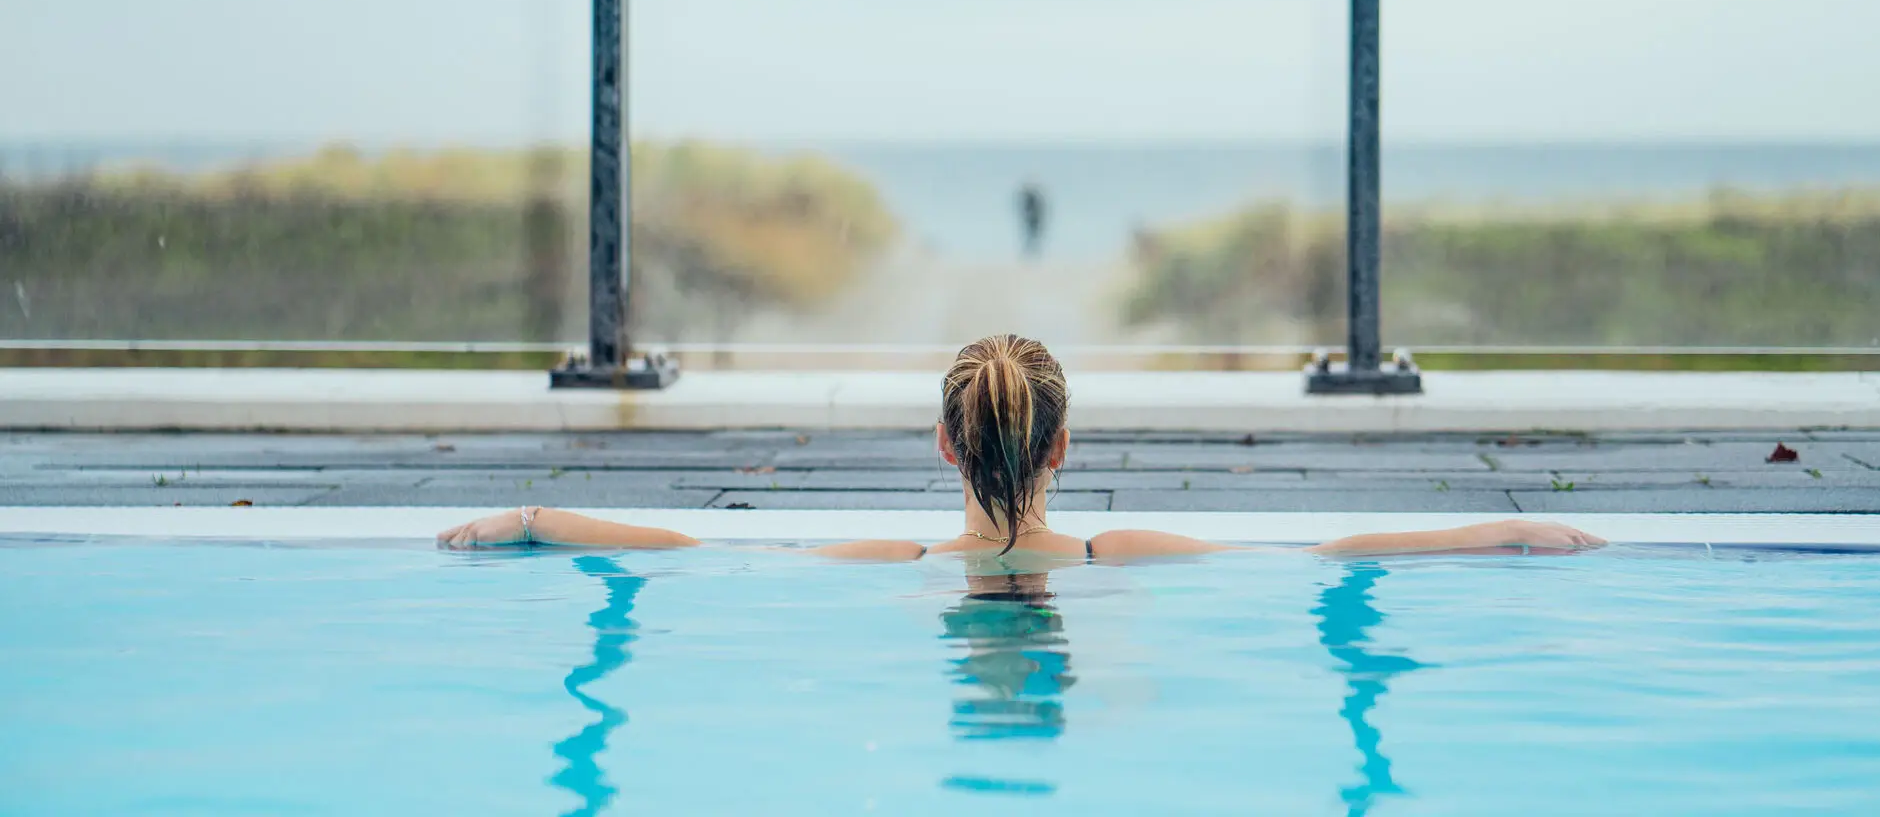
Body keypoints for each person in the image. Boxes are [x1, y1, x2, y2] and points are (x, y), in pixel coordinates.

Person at [438, 334, 1604, 560]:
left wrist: (533, 517)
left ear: (946, 445)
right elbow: (1341, 549)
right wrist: (1505, 527)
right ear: (1062, 449)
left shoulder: (887, 565)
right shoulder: (1121, 553)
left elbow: (679, 544)